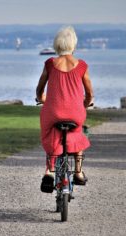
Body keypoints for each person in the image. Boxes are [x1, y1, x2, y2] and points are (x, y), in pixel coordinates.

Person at [36, 26, 94, 193]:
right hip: (75, 112)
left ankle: (49, 171)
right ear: (73, 45)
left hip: (53, 111)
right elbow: (89, 92)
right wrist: (85, 104)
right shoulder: (82, 65)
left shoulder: (49, 64)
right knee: (78, 133)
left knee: (50, 133)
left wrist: (43, 100)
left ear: (57, 45)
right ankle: (78, 172)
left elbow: (40, 89)